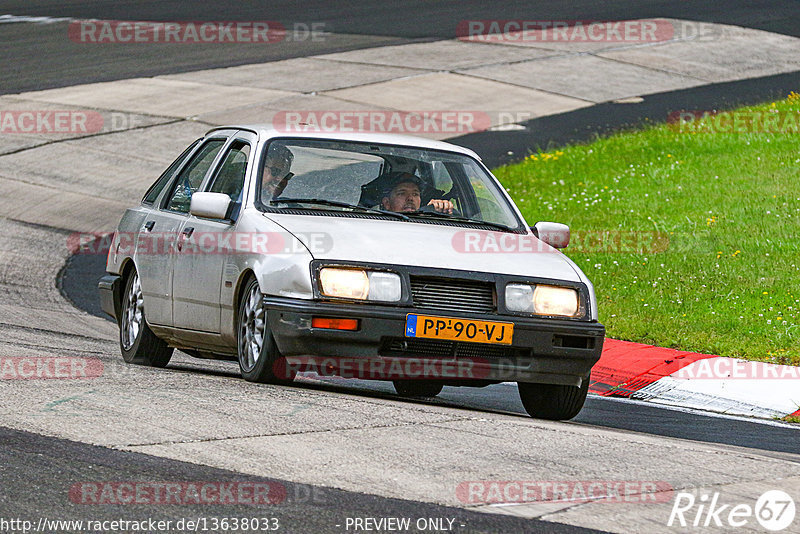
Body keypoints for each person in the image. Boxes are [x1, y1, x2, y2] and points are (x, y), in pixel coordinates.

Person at [380, 172, 453, 214]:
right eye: (402, 193)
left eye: (415, 194)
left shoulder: (430, 223)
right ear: (387, 203)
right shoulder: (375, 224)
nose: (410, 198)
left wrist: (442, 209)